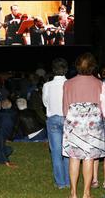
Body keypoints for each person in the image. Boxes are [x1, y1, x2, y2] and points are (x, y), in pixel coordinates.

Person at [62, 53, 105, 198]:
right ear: (93, 66)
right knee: (89, 158)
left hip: (73, 124)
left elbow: (65, 108)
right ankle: (86, 194)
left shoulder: (68, 83)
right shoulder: (99, 84)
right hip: (93, 126)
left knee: (74, 158)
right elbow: (102, 107)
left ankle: (73, 193)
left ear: (77, 66)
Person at [42, 58, 70, 189]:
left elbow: (45, 103)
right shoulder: (70, 84)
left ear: (53, 70)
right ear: (66, 69)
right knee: (68, 151)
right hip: (67, 118)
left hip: (53, 118)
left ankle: (60, 183)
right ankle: (69, 180)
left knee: (56, 152)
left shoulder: (47, 85)